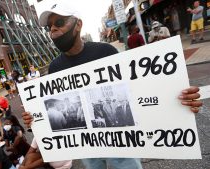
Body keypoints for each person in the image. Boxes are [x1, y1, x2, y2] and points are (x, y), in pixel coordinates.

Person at [22, 2, 203, 169]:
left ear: (78, 24)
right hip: (87, 146)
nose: (53, 29)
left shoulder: (105, 52)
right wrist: (35, 119)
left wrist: (178, 98)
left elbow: (141, 90)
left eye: (59, 22)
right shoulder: (55, 68)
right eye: (49, 26)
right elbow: (55, 109)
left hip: (122, 142)